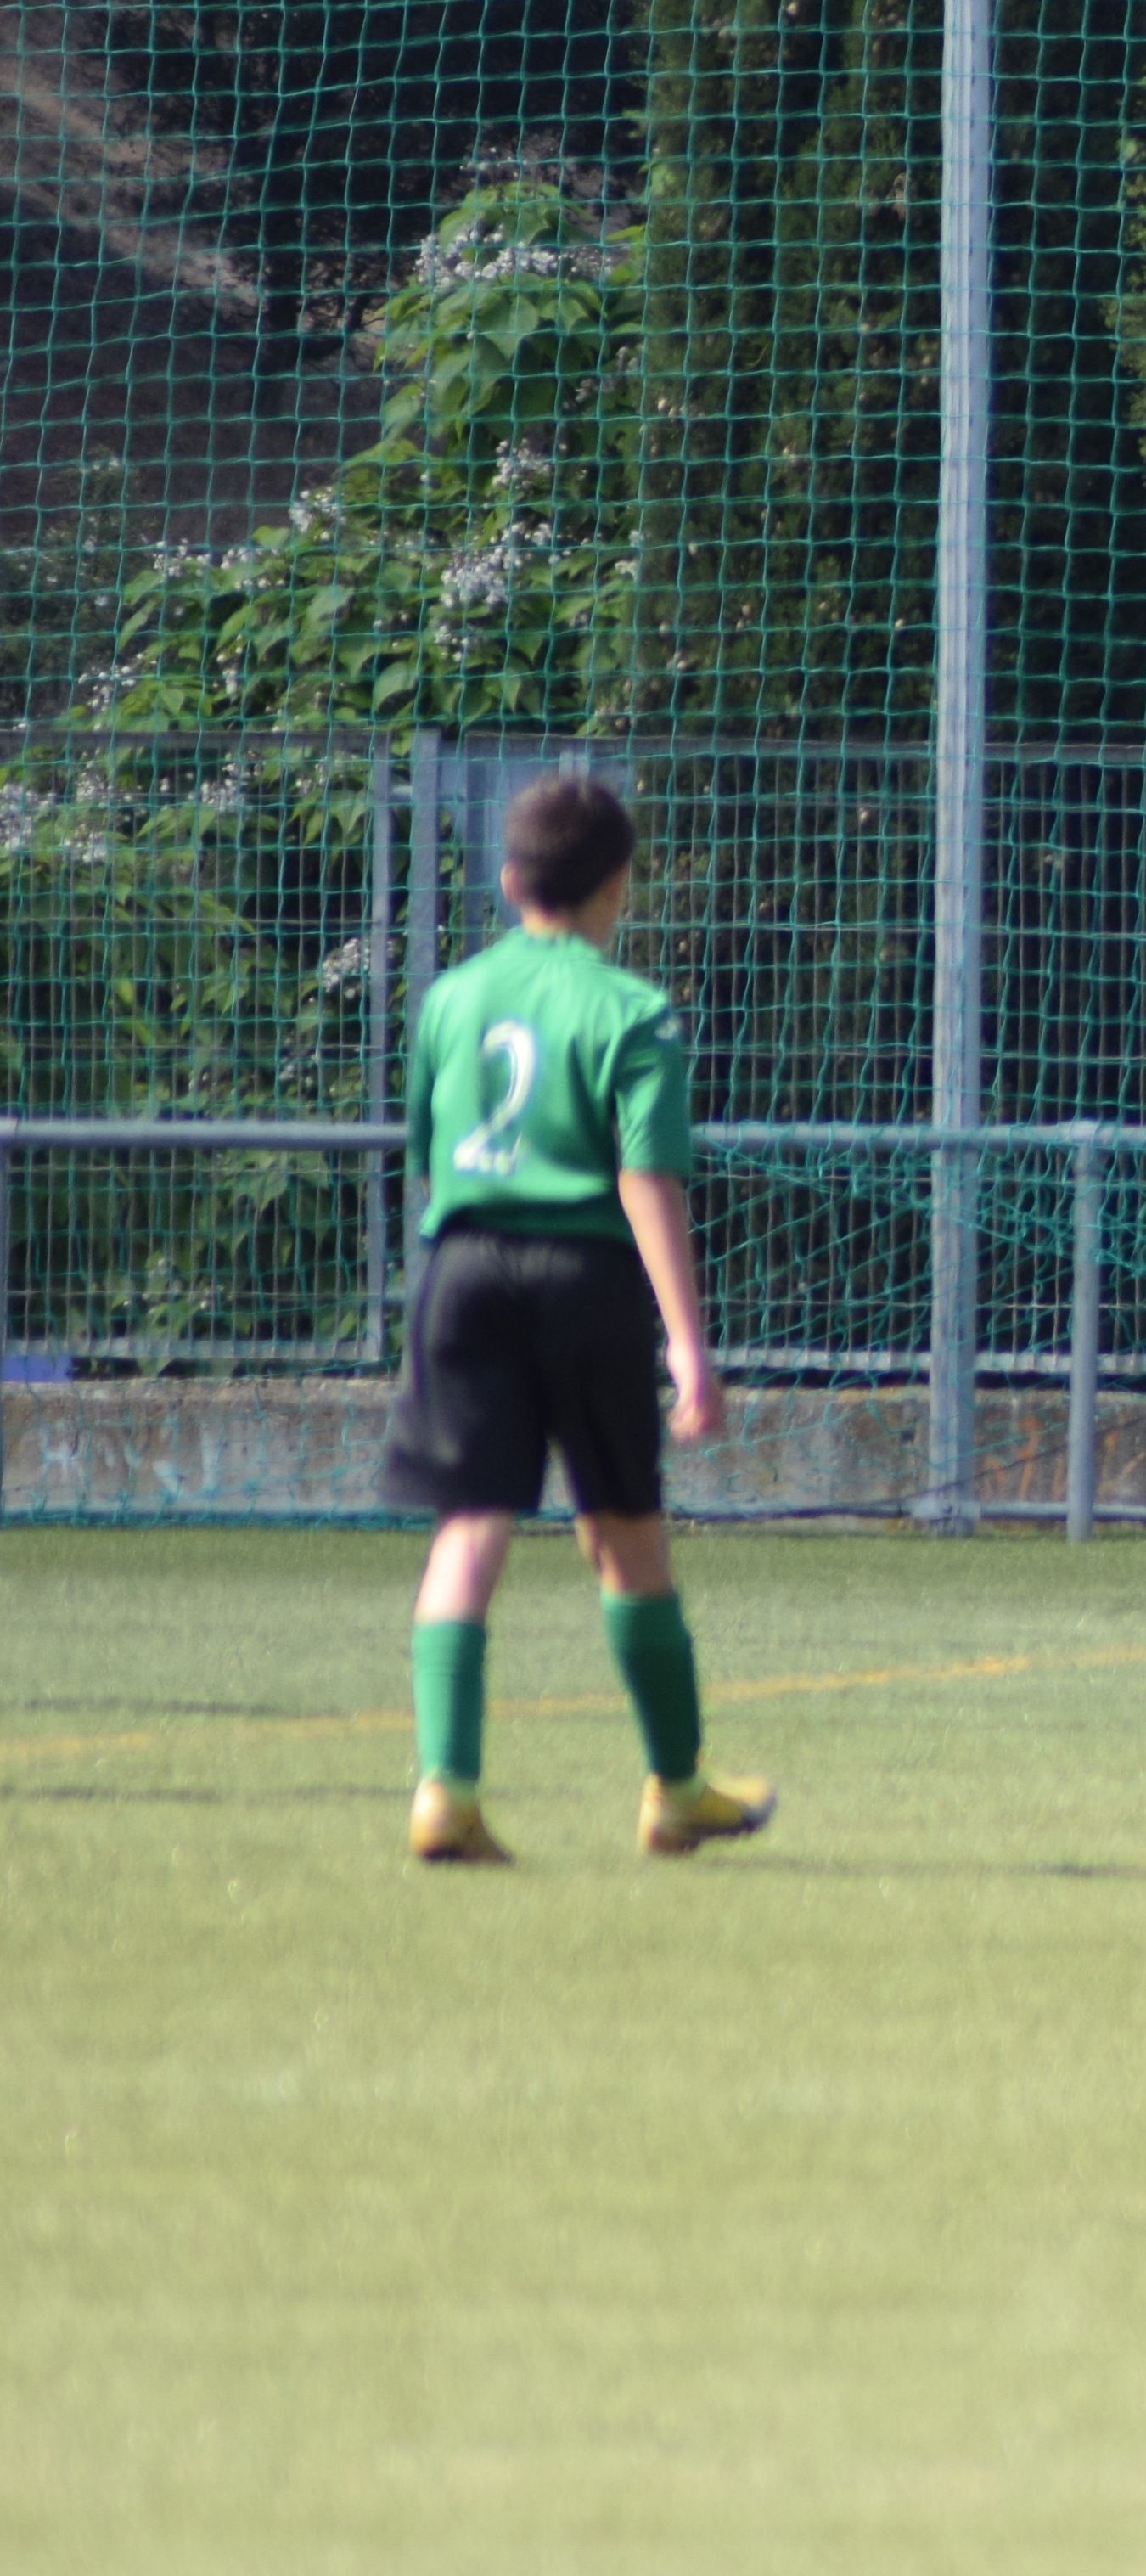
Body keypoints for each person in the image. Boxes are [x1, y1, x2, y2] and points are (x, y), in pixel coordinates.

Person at [388, 769, 772, 1866]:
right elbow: (648, 1179)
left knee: (470, 1527)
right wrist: (689, 1347)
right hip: (583, 1278)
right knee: (624, 1534)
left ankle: (444, 1789)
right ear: (619, 887)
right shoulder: (633, 1009)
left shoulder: (451, 1000)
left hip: (460, 1268)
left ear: (510, 882)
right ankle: (675, 1786)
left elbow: (429, 1155)